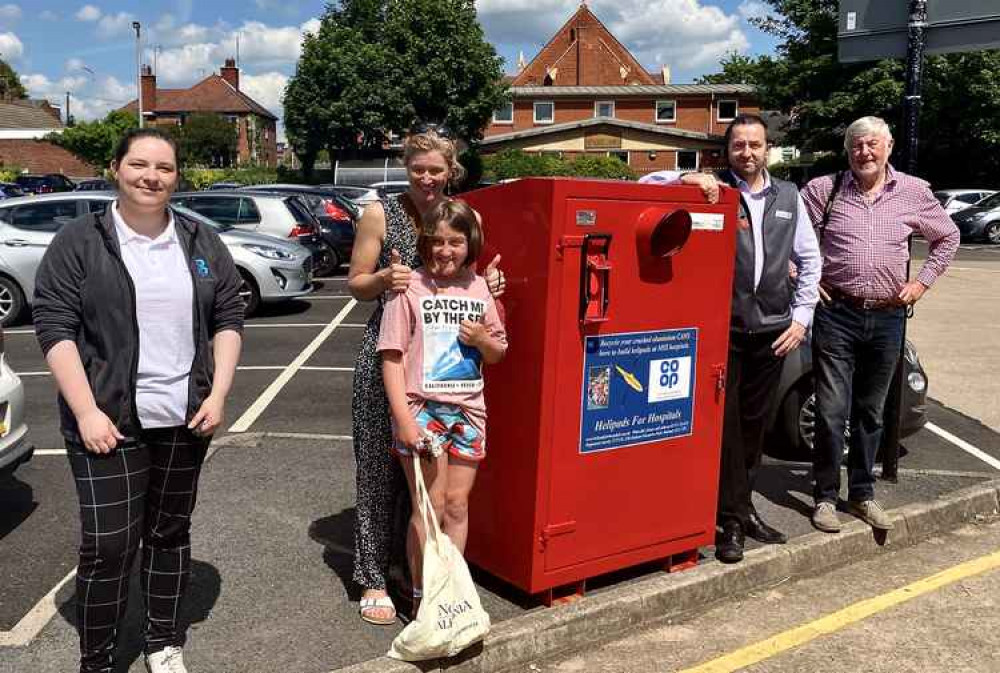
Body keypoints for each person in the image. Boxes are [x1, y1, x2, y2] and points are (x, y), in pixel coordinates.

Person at [33, 128, 244, 673]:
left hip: (185, 416)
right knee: (108, 547)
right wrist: (85, 412)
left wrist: (218, 393)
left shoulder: (200, 241)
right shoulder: (80, 240)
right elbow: (54, 328)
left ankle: (162, 641)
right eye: (139, 164)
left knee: (169, 533)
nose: (152, 176)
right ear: (116, 168)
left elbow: (228, 319)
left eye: (165, 168)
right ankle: (97, 660)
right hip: (107, 418)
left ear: (177, 177)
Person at [642, 112, 821, 563]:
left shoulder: (790, 196)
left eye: (755, 145)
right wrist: (689, 174)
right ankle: (733, 523)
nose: (746, 153)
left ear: (767, 149)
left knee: (754, 428)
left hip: (773, 330)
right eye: (738, 145)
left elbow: (809, 260)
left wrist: (800, 319)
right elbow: (648, 180)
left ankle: (740, 509)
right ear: (727, 151)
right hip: (724, 330)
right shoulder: (713, 188)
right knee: (726, 429)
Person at [347, 128, 504, 625]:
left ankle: (419, 575)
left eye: (437, 169)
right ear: (406, 167)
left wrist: (492, 284)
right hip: (390, 346)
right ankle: (373, 575)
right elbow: (356, 283)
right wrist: (382, 280)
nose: (428, 178)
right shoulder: (380, 213)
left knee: (434, 492)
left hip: (446, 364)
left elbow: (469, 279)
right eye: (419, 169)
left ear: (450, 169)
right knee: (378, 466)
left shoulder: (465, 215)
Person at [801, 116, 958, 533]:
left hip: (888, 317)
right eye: (856, 146)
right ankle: (825, 497)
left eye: (872, 145)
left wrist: (921, 282)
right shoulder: (823, 190)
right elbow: (793, 240)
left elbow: (949, 237)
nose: (864, 153)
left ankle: (862, 494)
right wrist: (809, 279)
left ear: (888, 147)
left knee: (871, 412)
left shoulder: (913, 191)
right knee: (832, 412)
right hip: (837, 313)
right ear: (847, 150)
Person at [377, 199, 507, 616]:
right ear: (425, 243)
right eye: (437, 242)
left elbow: (498, 352)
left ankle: (451, 594)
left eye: (455, 241)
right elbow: (392, 357)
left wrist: (481, 340)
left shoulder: (481, 288)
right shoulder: (408, 287)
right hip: (422, 411)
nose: (445, 251)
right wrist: (405, 421)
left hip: (470, 414)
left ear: (470, 244)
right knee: (428, 509)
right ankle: (421, 598)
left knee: (456, 506)